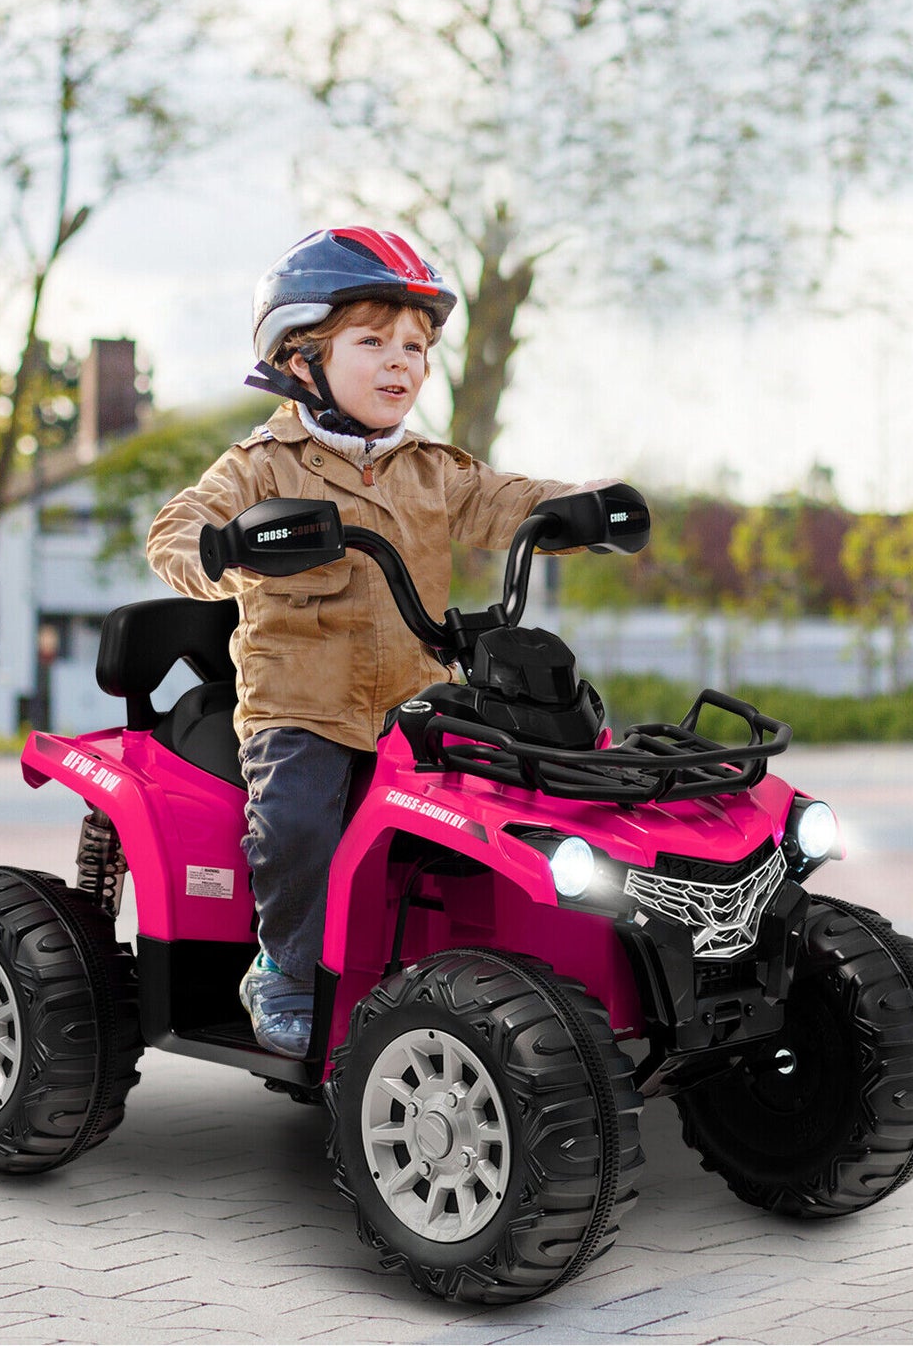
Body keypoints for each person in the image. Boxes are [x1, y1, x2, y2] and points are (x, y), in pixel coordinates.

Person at [146, 226, 592, 1057]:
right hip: (302, 705)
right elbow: (178, 526)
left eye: (416, 346)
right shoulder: (259, 464)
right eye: (373, 341)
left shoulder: (431, 467)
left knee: (513, 804)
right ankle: (282, 966)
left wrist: (583, 506)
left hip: (416, 702)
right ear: (299, 356)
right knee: (299, 822)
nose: (402, 362)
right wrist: (219, 547)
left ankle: (503, 970)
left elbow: (507, 498)